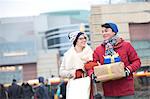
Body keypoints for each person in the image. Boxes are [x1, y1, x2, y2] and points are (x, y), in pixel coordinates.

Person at [91, 22, 141, 99]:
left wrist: (128, 69)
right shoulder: (98, 50)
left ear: (114, 32)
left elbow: (137, 61)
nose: (104, 33)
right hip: (109, 91)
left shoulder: (126, 46)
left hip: (126, 90)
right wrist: (93, 74)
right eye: (102, 31)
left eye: (106, 31)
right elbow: (92, 65)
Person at [60, 31, 95, 99]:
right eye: (81, 38)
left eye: (85, 38)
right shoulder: (68, 55)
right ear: (75, 40)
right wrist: (73, 73)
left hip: (87, 83)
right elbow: (61, 72)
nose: (84, 40)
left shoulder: (90, 52)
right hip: (74, 85)